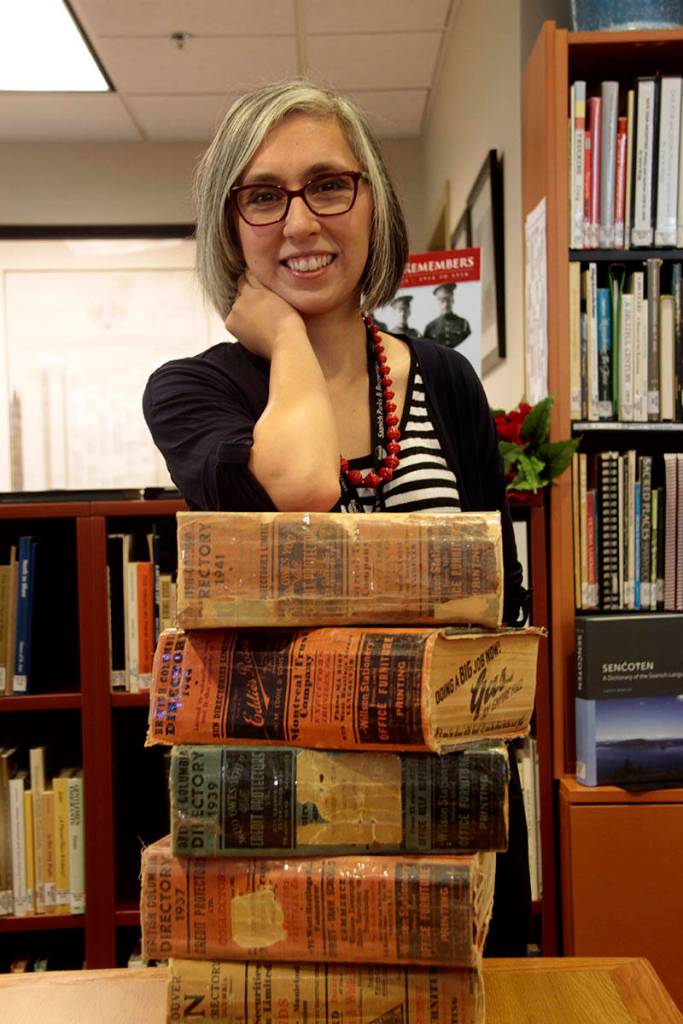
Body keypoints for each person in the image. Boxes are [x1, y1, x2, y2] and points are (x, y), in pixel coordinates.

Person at [142, 80, 531, 955]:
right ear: (229, 223)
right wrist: (285, 342)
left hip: (451, 812)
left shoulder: (445, 380)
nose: (301, 222)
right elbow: (308, 486)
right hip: (280, 833)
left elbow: (490, 604)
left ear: (371, 202)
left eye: (328, 184)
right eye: (263, 195)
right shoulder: (192, 391)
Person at [424, 282, 471, 349]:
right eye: (442, 301)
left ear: (453, 300)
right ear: (438, 303)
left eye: (448, 300)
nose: (446, 304)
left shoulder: (463, 324)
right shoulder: (430, 328)